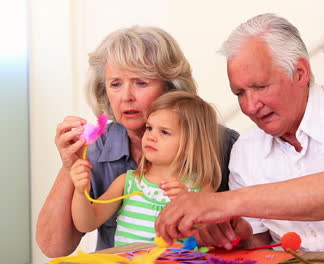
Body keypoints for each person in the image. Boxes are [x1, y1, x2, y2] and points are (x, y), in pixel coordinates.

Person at [155, 13, 324, 252]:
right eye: (239, 93)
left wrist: (224, 202)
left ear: (300, 72)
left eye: (260, 86)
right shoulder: (247, 148)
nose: (250, 106)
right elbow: (256, 246)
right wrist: (227, 231)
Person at [36, 26, 239, 257]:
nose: (126, 97)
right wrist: (69, 165)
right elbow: (53, 247)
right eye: (115, 84)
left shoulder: (223, 143)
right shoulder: (98, 146)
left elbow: (245, 234)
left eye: (141, 82)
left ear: (171, 88)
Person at [70, 91, 252, 246]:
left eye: (164, 132)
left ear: (191, 144)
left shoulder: (200, 189)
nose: (150, 136)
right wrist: (80, 192)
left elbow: (210, 239)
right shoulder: (128, 182)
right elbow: (86, 224)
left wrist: (188, 205)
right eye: (149, 128)